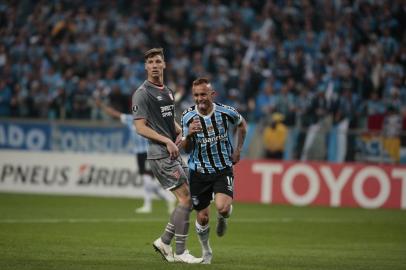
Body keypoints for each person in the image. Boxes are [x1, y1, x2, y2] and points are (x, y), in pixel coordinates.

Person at [132, 48, 202, 264]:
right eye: (150, 62)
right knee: (186, 199)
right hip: (159, 154)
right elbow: (140, 128)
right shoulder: (142, 93)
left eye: (158, 61)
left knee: (188, 200)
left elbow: (168, 121)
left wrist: (181, 130)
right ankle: (181, 251)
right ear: (146, 67)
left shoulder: (168, 91)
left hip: (171, 153)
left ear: (164, 65)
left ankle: (164, 242)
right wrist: (167, 140)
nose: (154, 65)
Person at [181, 77, 247, 264]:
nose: (200, 98)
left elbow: (242, 125)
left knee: (223, 208)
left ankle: (223, 218)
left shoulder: (227, 112)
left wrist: (238, 149)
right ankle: (206, 252)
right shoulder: (187, 117)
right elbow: (185, 148)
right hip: (198, 172)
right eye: (196, 95)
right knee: (202, 218)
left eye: (203, 94)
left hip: (222, 168)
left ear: (212, 94)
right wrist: (189, 135)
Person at [96, 98, 176, 214]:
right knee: (147, 180)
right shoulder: (130, 119)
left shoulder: (151, 120)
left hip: (149, 151)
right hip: (139, 153)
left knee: (147, 179)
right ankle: (168, 198)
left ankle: (148, 205)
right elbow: (114, 114)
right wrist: (102, 106)